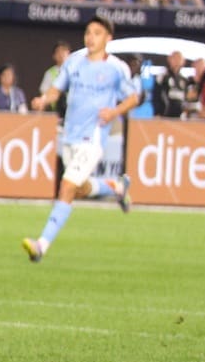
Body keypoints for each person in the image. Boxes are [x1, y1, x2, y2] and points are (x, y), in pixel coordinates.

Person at [23, 14, 140, 263]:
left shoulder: (116, 68)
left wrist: (114, 112)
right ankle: (116, 187)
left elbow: (133, 98)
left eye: (97, 33)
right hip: (70, 136)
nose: (91, 37)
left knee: (66, 186)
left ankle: (41, 245)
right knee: (79, 188)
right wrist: (44, 99)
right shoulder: (74, 62)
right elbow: (57, 88)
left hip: (93, 137)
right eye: (88, 32)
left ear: (108, 38)